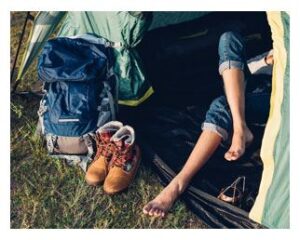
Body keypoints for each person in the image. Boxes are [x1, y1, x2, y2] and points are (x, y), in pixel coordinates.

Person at [143, 31, 273, 217]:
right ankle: (240, 126)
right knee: (229, 38)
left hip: (278, 97)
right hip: (251, 85)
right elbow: (251, 67)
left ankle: (178, 183)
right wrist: (268, 61)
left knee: (221, 105)